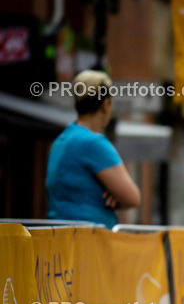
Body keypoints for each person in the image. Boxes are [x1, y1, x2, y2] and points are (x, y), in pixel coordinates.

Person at [46, 70, 140, 227]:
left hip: (59, 237)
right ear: (106, 105)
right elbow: (133, 198)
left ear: (76, 104)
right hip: (90, 240)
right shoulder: (94, 143)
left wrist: (115, 193)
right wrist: (115, 195)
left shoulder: (61, 141)